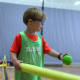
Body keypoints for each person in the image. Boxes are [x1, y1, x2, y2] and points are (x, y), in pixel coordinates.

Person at [10, 8, 68, 80]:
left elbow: (48, 50)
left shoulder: (40, 38)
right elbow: (13, 52)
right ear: (30, 21)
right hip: (24, 75)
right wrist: (15, 61)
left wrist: (60, 55)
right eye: (41, 22)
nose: (42, 25)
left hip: (37, 73)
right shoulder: (20, 36)